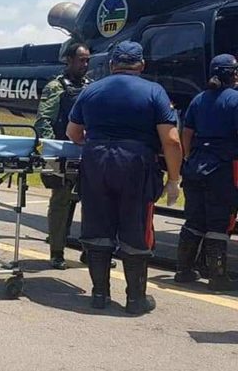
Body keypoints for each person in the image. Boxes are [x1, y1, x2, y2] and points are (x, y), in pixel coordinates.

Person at [66, 40, 182, 315]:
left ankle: (99, 294)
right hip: (135, 164)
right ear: (141, 65)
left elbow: (73, 133)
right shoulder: (154, 91)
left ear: (112, 64)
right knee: (135, 228)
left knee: (97, 227)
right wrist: (174, 179)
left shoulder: (91, 90)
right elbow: (171, 140)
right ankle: (135, 299)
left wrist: (97, 144)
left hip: (96, 163)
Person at [174, 54, 238, 291]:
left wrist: (188, 158)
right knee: (218, 223)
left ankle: (183, 270)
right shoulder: (235, 100)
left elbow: (186, 133)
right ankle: (217, 276)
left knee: (194, 220)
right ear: (231, 74)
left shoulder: (198, 99)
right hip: (221, 169)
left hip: (196, 167)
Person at [34, 42, 91, 270]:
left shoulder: (90, 87)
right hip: (63, 153)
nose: (85, 64)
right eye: (81, 60)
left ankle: (90, 250)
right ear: (68, 60)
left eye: (87, 60)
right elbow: (44, 121)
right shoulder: (55, 87)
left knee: (92, 202)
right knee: (61, 202)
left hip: (86, 153)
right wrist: (52, 150)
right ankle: (57, 251)